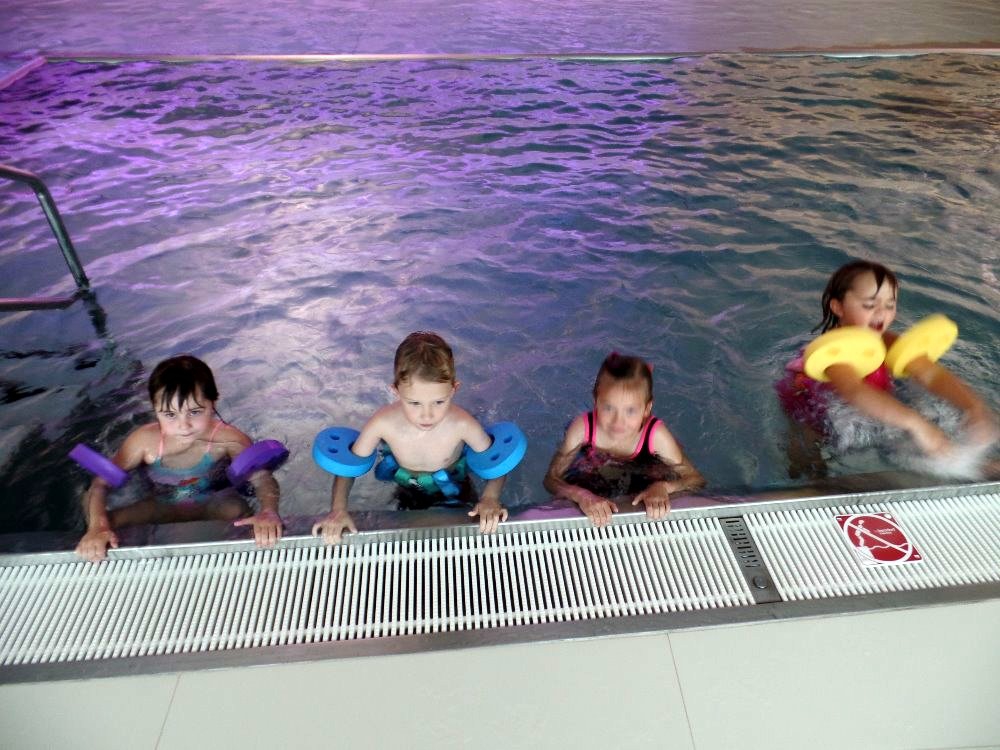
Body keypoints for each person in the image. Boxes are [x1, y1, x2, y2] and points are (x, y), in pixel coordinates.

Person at [777, 259, 997, 476]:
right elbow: (854, 391)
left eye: (890, 305)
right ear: (838, 307)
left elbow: (930, 374)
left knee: (920, 433)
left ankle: (970, 467)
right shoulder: (836, 355)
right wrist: (917, 424)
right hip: (812, 411)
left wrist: (973, 407)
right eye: (870, 305)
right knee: (808, 462)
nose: (881, 313)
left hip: (868, 405)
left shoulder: (887, 341)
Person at [75, 355, 282, 561]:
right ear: (155, 409)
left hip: (211, 501)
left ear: (212, 402)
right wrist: (97, 527)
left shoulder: (230, 440)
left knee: (239, 511)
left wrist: (268, 512)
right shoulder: (143, 442)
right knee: (106, 523)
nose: (184, 425)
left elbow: (261, 479)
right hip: (160, 505)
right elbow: (100, 484)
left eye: (195, 412)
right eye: (170, 415)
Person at [312, 331, 510, 543]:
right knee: (409, 536)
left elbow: (496, 463)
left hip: (455, 484)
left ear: (454, 389)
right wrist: (338, 509)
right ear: (396, 391)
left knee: (471, 533)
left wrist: (490, 498)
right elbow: (348, 467)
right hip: (407, 485)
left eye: (439, 402)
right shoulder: (382, 424)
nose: (427, 415)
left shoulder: (463, 425)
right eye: (414, 403)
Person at [543, 352, 705, 527]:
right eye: (608, 408)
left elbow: (695, 479)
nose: (618, 422)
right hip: (594, 468)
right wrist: (581, 495)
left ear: (646, 409)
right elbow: (551, 480)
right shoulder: (582, 428)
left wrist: (663, 487)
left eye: (630, 411)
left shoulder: (657, 436)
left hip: (645, 467)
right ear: (596, 401)